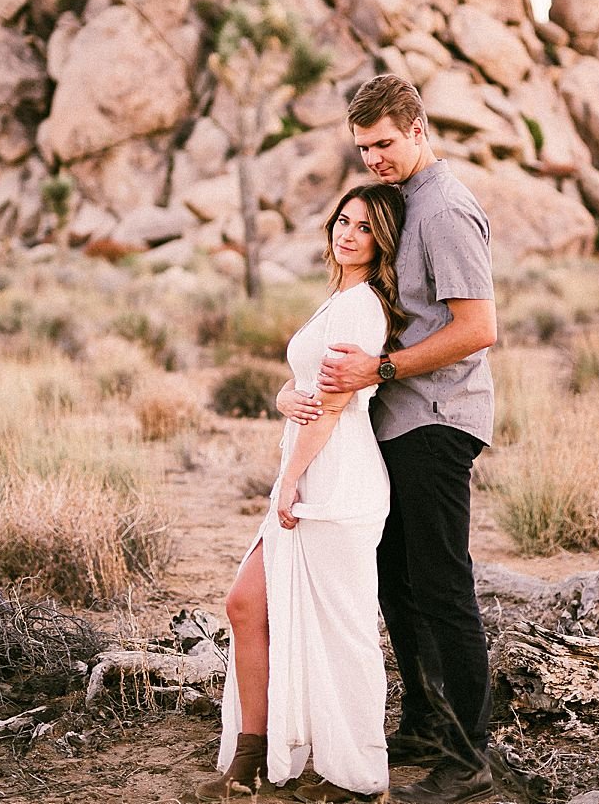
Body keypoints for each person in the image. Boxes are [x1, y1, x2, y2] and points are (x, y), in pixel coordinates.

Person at [315, 74, 498, 804]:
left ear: (418, 130)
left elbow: (478, 327)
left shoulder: (446, 208)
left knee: (444, 586)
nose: (375, 160)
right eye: (363, 149)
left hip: (438, 418)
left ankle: (469, 759)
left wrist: (379, 366)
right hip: (398, 421)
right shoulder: (406, 203)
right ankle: (424, 723)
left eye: (386, 143)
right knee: (399, 583)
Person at [197, 182, 409, 804]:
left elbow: (339, 400)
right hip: (307, 474)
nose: (348, 234)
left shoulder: (365, 306)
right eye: (344, 221)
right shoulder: (338, 299)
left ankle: (358, 774)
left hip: (336, 482)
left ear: (384, 241)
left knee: (341, 627)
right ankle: (252, 756)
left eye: (365, 227)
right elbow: (309, 388)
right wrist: (283, 398)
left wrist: (289, 479)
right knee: (246, 604)